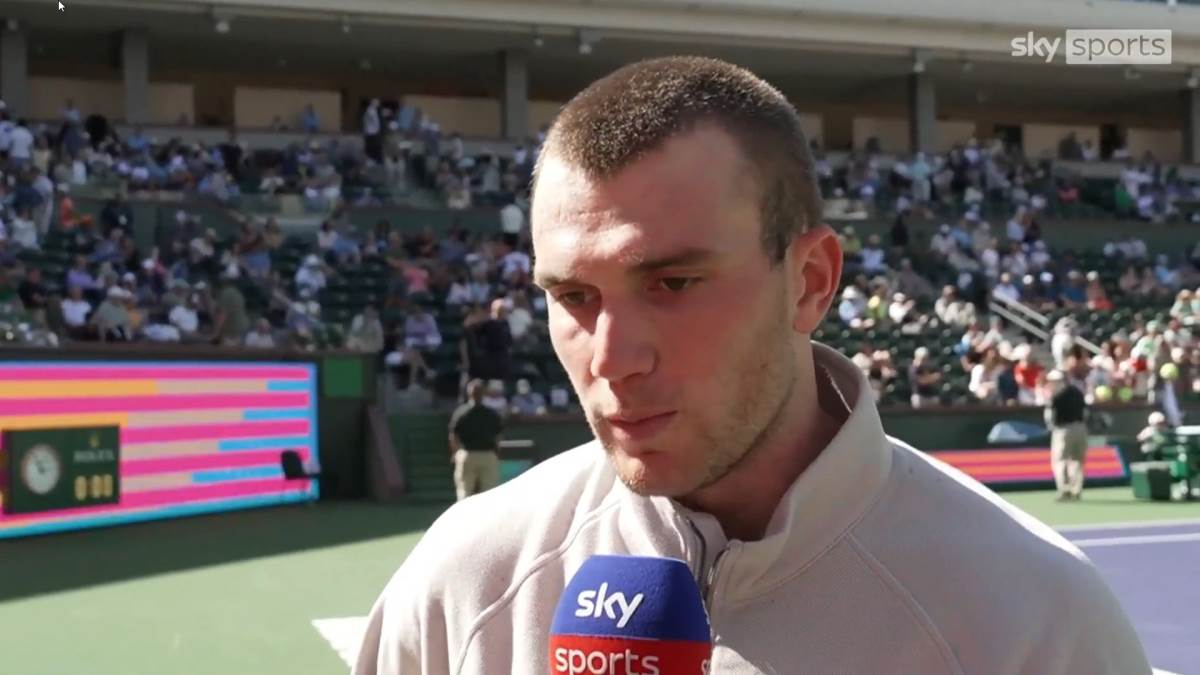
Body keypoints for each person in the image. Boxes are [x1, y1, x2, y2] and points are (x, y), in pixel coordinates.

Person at [356, 56, 1148, 675]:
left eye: (673, 283)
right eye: (573, 296)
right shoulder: (467, 580)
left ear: (809, 282)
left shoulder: (1035, 620)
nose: (611, 359)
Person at [447, 379, 504, 502]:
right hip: (488, 455)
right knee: (490, 493)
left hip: (467, 454)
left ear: (469, 393)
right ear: (484, 393)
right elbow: (498, 437)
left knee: (464, 492)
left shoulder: (461, 412)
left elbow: (453, 436)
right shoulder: (491, 414)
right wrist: (496, 452)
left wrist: (455, 453)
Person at [1045, 369, 1089, 502]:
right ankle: (1076, 490)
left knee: (1060, 460)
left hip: (1063, 429)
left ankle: (1064, 490)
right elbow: (1085, 412)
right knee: (1077, 460)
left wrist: (1051, 427)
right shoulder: (1077, 392)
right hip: (1080, 428)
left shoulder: (1055, 394)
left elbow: (1050, 415)